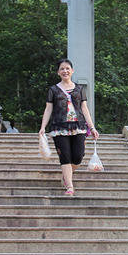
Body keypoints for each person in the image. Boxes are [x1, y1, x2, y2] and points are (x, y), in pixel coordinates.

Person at [38, 58, 99, 196]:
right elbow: (48, 109)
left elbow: (84, 108)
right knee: (65, 156)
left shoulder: (79, 89)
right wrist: (43, 127)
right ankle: (70, 186)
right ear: (58, 72)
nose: (65, 71)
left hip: (79, 126)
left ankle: (66, 176)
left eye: (67, 68)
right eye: (62, 69)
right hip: (59, 127)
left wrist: (92, 127)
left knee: (78, 156)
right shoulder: (53, 90)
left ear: (72, 71)